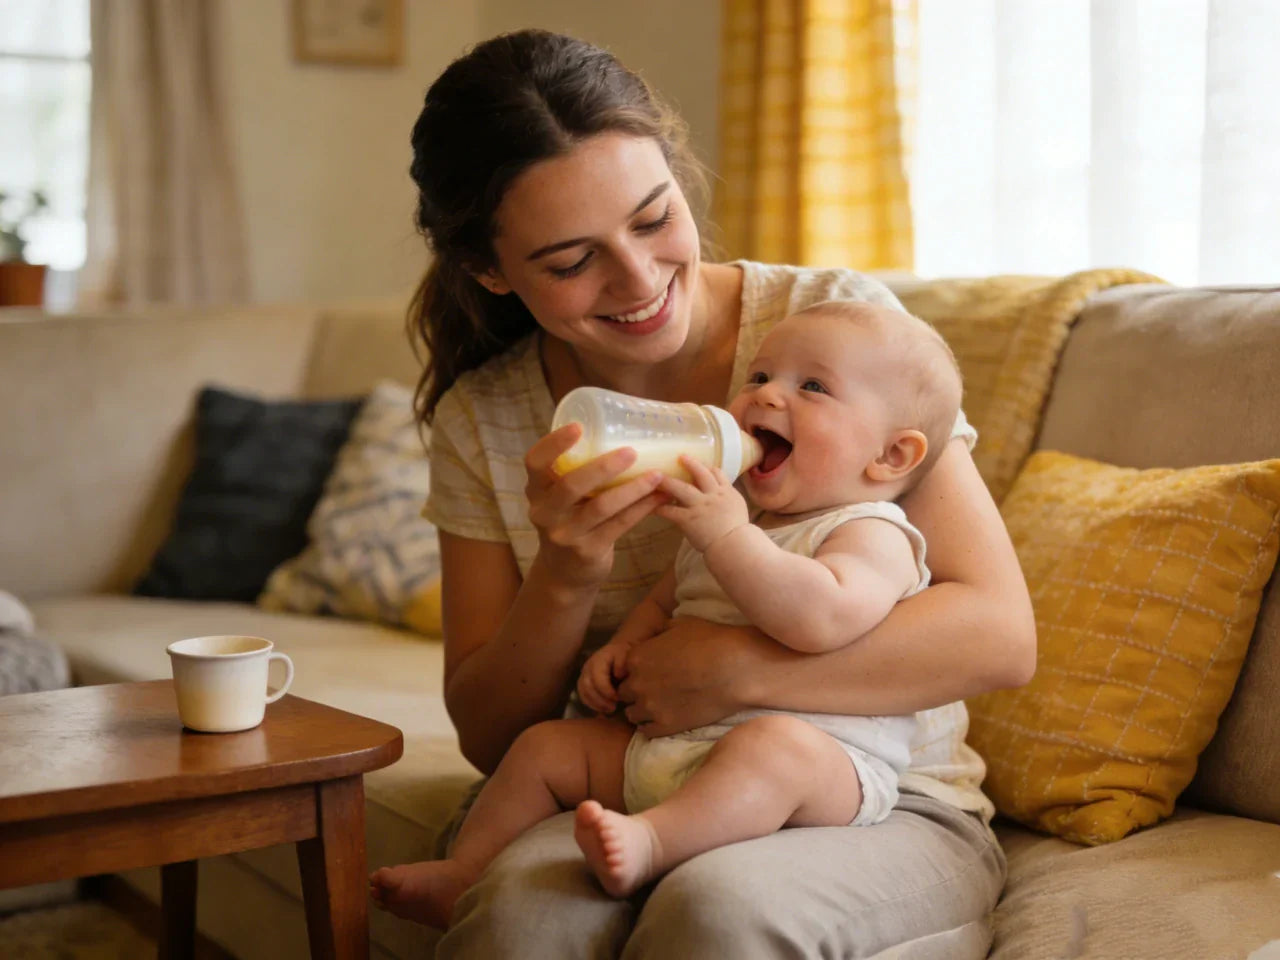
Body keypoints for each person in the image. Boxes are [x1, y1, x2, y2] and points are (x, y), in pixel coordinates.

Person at [392, 27, 1034, 959]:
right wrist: (567, 572)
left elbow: (1000, 636)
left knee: (719, 912)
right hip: (632, 775)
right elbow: (495, 740)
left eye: (653, 220)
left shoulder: (830, 337)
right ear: (491, 273)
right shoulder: (485, 420)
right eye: (571, 263)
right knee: (520, 923)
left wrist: (738, 671)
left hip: (865, 794)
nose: (640, 279)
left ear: (680, 182)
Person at [370, 300, 963, 926]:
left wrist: (728, 538)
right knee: (546, 748)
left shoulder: (871, 531)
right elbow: (665, 600)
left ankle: (653, 841)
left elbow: (823, 617)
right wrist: (618, 652)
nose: (764, 397)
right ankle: (467, 873)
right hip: (672, 746)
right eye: (760, 377)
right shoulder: (733, 514)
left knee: (775, 747)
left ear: (891, 457)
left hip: (819, 771)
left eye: (812, 387)